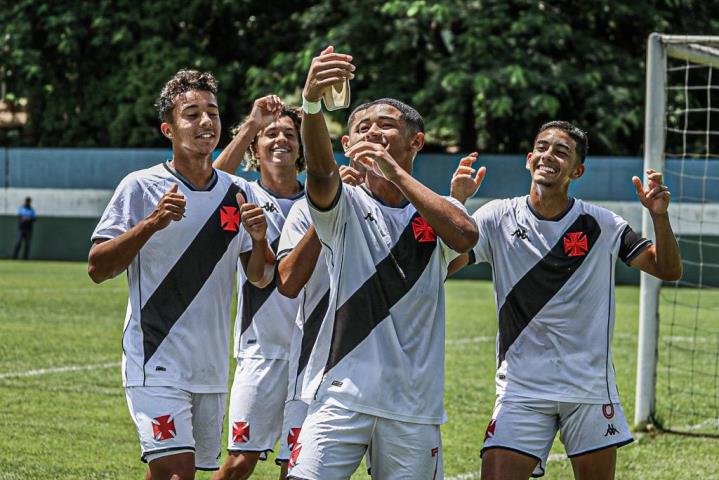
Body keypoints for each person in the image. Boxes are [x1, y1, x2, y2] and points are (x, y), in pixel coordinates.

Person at [448, 121, 682, 480]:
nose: (548, 156)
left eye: (561, 151)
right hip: (521, 389)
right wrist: (456, 203)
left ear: (577, 170)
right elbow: (445, 266)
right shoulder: (496, 217)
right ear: (529, 159)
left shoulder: (602, 224)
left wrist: (659, 216)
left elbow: (667, 269)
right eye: (542, 147)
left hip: (587, 389)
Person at [287, 46, 479, 479]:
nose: (373, 132)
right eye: (362, 127)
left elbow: (466, 236)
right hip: (339, 395)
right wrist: (311, 105)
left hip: (412, 406)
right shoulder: (344, 205)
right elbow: (319, 174)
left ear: (416, 141)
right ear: (348, 144)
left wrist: (394, 172)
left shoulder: (440, 211)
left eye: (386, 125)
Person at [87, 70, 274, 480]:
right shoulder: (140, 186)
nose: (206, 122)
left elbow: (260, 278)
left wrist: (260, 240)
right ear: (168, 128)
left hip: (209, 366)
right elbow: (98, 267)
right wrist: (150, 224)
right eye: (192, 114)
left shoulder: (239, 192)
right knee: (177, 474)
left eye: (212, 112)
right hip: (154, 358)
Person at [211, 96, 307, 480]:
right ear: (254, 147)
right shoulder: (244, 194)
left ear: (301, 148)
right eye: (270, 134)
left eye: (290, 134)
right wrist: (252, 123)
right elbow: (208, 184)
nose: (280, 140)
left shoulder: (324, 200)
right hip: (262, 350)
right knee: (239, 462)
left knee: (297, 465)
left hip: (314, 353)